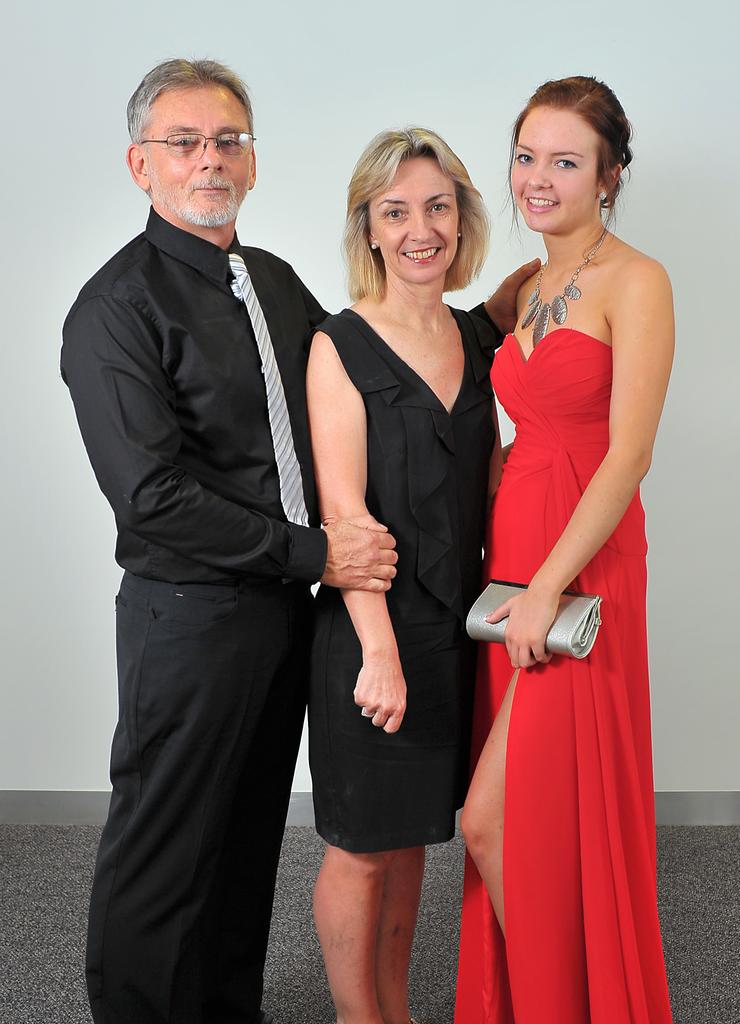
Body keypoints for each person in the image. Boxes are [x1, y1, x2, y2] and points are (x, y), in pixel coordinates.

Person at [61, 59, 533, 1024]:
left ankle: (229, 1007)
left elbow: (380, 368)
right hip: (191, 617)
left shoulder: (272, 284)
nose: (210, 160)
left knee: (243, 838)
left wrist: (489, 319)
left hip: (285, 615)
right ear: (139, 164)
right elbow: (151, 497)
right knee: (164, 842)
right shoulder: (115, 308)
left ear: (252, 160)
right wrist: (321, 556)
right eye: (184, 143)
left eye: (228, 140)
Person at [455, 76, 676, 1024]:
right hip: (514, 557)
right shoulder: (527, 287)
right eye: (526, 155)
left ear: (610, 175)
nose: (537, 179)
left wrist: (547, 588)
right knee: (536, 820)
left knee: (489, 820)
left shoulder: (639, 280)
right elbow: (517, 410)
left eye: (565, 161)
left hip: (578, 570)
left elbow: (627, 455)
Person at [305, 128, 506, 1024]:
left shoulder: (474, 334)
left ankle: (396, 1011)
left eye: (438, 206)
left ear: (461, 219)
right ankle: (359, 1018)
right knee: (361, 847)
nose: (421, 228)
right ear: (371, 229)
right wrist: (377, 654)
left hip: (458, 631)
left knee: (416, 837)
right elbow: (345, 519)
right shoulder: (338, 345)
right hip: (371, 632)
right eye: (398, 211)